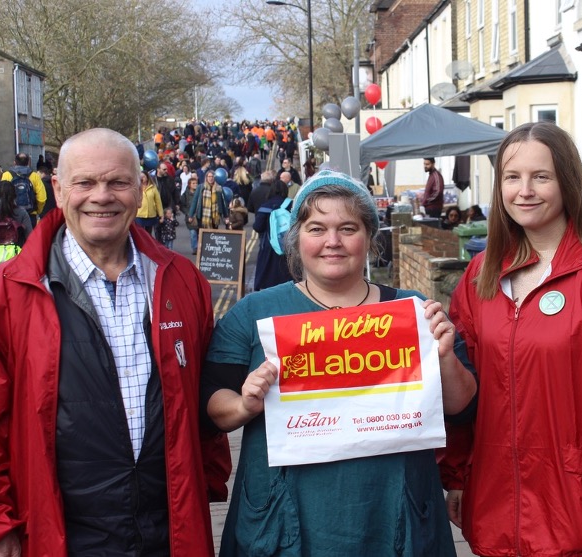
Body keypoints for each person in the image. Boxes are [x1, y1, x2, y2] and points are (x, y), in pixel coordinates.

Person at [0, 128, 231, 557]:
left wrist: (208, 479)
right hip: (59, 535)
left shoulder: (182, 281)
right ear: (58, 188)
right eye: (85, 182)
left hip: (169, 531)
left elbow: (199, 397)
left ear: (141, 188)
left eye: (118, 182)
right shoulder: (4, 297)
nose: (101, 196)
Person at [201, 169, 478, 556]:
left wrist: (444, 356)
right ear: (297, 239)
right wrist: (244, 404)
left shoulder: (411, 311)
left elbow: (462, 406)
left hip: (393, 508)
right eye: (317, 229)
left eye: (348, 228)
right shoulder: (254, 313)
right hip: (288, 516)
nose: (333, 242)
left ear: (369, 238)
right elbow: (213, 405)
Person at [441, 122, 582, 557]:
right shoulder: (481, 278)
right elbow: (465, 391)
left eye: (541, 177)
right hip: (497, 512)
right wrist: (456, 475)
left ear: (567, 182)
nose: (524, 190)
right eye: (512, 178)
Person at [252, 177, 294, 291]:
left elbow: (257, 227)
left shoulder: (265, 206)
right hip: (287, 245)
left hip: (269, 246)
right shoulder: (291, 204)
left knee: (268, 278)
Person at [1, 153, 48, 228]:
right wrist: (37, 210)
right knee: (30, 238)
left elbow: (2, 194)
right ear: (28, 162)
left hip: (12, 214)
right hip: (30, 214)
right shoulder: (34, 176)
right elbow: (42, 198)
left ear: (14, 162)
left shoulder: (7, 175)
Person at [135, 171, 163, 235]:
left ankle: (147, 244)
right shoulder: (137, 187)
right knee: (140, 233)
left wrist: (161, 214)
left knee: (148, 234)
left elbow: (158, 201)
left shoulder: (153, 187)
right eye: (140, 177)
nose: (142, 178)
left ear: (147, 177)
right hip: (139, 214)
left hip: (151, 214)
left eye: (143, 177)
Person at [180, 174, 200, 255]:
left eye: (196, 183)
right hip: (190, 217)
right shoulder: (185, 195)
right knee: (193, 233)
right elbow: (182, 205)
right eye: (193, 183)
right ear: (189, 185)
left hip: (199, 216)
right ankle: (195, 248)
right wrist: (188, 213)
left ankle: (200, 247)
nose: (195, 185)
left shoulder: (200, 193)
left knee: (199, 233)